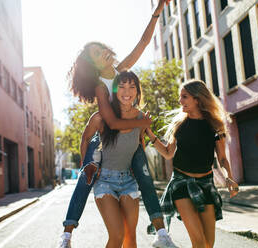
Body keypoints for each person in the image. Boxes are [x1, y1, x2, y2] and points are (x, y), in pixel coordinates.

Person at [60, 1, 177, 247]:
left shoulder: (121, 72)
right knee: (85, 177)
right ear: (93, 64)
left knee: (145, 176)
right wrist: (88, 162)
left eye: (100, 47)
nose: (102, 51)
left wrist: (157, 12)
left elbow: (143, 44)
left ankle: (161, 234)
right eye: (95, 53)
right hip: (104, 138)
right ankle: (67, 235)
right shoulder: (100, 85)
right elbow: (101, 127)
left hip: (127, 138)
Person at [145, 80, 239, 248]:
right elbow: (167, 153)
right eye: (180, 97)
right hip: (182, 183)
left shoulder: (215, 125)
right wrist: (149, 133)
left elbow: (222, 158)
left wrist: (229, 177)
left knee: (208, 244)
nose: (180, 101)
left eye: (184, 97)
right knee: (199, 242)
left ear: (197, 99)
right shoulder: (179, 125)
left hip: (206, 184)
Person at [81, 71, 146, 247]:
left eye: (132, 86)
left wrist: (138, 168)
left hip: (129, 181)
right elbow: (85, 138)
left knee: (130, 237)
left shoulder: (141, 118)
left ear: (137, 91)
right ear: (115, 91)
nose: (127, 91)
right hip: (105, 181)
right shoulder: (102, 117)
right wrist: (86, 165)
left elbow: (140, 146)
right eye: (122, 86)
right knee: (117, 235)